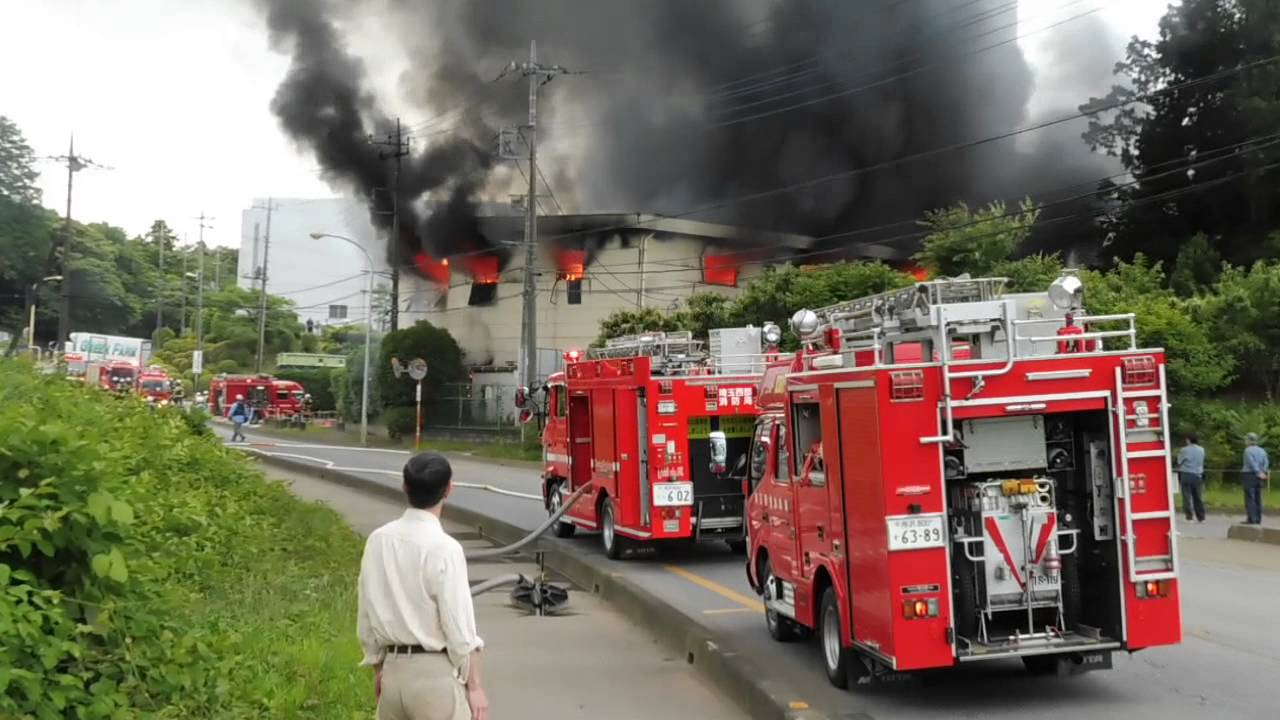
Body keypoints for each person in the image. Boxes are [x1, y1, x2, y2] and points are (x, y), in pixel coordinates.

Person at [357, 453, 488, 720]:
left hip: (393, 675)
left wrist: (379, 668)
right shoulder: (445, 548)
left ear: (405, 487)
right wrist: (474, 686)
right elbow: (460, 627)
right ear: (449, 489)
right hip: (435, 678)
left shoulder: (378, 540)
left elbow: (366, 611)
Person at [1176, 433, 1206, 522]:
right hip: (1198, 474)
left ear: (1188, 440)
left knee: (1186, 497)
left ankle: (1189, 517)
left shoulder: (1184, 450)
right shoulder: (1202, 450)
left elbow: (1179, 461)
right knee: (1198, 496)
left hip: (1186, 474)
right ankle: (1201, 517)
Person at [1241, 432, 1270, 525]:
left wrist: (1257, 472)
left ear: (1249, 440)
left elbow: (1251, 462)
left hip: (1249, 474)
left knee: (1250, 497)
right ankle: (1258, 518)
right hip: (1261, 475)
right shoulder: (1262, 450)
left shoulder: (1247, 450)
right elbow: (1266, 462)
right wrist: (1263, 472)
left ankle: (1251, 519)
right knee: (1258, 497)